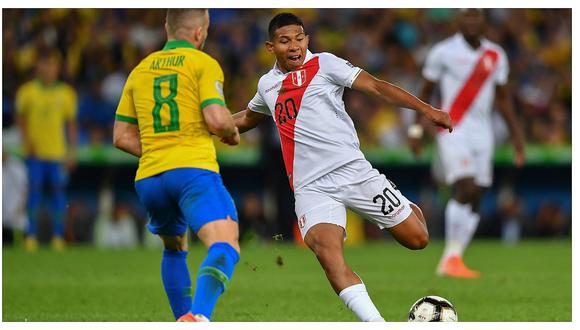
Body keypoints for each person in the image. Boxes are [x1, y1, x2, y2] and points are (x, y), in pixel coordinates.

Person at [231, 12, 452, 322]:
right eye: (285, 41)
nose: (294, 46)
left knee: (418, 239)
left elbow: (375, 87)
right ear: (271, 47)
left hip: (353, 172)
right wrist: (210, 127)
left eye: (299, 38)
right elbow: (248, 117)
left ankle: (399, 200)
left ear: (307, 39)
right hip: (312, 188)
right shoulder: (267, 85)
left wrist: (427, 110)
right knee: (329, 257)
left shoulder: (325, 64)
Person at [113, 9, 241, 322]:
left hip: (150, 178)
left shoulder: (140, 70)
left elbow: (120, 137)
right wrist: (231, 131)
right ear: (199, 32)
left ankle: (183, 320)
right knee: (225, 245)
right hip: (192, 171)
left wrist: (161, 148)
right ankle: (199, 317)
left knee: (174, 249)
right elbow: (216, 118)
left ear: (166, 28)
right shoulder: (203, 63)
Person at [411, 9, 525, 278]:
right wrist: (416, 130)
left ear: (484, 20)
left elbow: (503, 99)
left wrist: (517, 136)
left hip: (483, 132)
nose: (472, 21)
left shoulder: (496, 54)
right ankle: (450, 258)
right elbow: (424, 94)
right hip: (452, 128)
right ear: (459, 21)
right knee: (466, 186)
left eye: (476, 16)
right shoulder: (443, 52)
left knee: (478, 193)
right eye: (467, 16)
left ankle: (454, 257)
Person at [15, 51, 78, 251]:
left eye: (51, 65)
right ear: (38, 68)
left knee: (59, 195)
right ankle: (31, 236)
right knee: (34, 194)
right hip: (35, 155)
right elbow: (20, 118)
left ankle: (58, 237)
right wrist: (27, 141)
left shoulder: (66, 93)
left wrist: (72, 151)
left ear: (57, 68)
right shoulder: (27, 92)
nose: (48, 69)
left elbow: (71, 125)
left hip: (57, 154)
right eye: (44, 65)